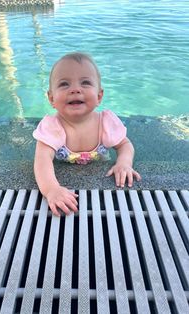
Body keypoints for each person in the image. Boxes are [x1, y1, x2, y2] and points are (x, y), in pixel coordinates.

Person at [33, 52, 141, 216]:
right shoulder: (52, 127)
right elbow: (42, 160)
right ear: (51, 98)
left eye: (85, 83)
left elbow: (125, 145)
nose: (75, 90)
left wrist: (124, 163)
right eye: (64, 84)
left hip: (100, 175)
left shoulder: (106, 123)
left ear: (99, 96)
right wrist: (51, 189)